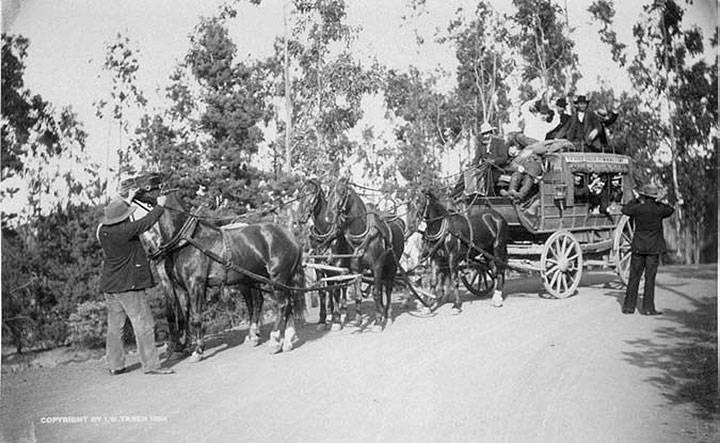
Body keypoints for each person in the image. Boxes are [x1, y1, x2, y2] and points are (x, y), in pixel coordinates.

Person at [97, 191, 175, 375]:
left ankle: (115, 365)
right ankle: (151, 365)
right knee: (144, 324)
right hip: (129, 285)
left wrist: (127, 199)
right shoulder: (125, 231)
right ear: (122, 219)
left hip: (110, 285)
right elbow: (146, 222)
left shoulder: (102, 230)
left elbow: (120, 217)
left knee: (116, 326)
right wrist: (160, 205)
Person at [620, 184, 675, 315]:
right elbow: (671, 209)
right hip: (653, 249)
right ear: (654, 197)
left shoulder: (638, 208)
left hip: (638, 247)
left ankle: (628, 307)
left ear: (643, 196)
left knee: (634, 277)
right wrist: (659, 201)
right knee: (650, 279)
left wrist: (636, 199)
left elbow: (625, 209)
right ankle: (648, 308)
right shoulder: (659, 209)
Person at [452, 122, 510, 198]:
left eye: (487, 133)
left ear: (491, 133)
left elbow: (504, 158)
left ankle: (488, 197)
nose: (486, 136)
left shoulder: (499, 142)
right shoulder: (481, 145)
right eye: (484, 134)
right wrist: (472, 167)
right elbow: (476, 159)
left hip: (496, 169)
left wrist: (493, 161)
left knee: (488, 175)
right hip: (484, 169)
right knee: (466, 174)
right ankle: (453, 196)